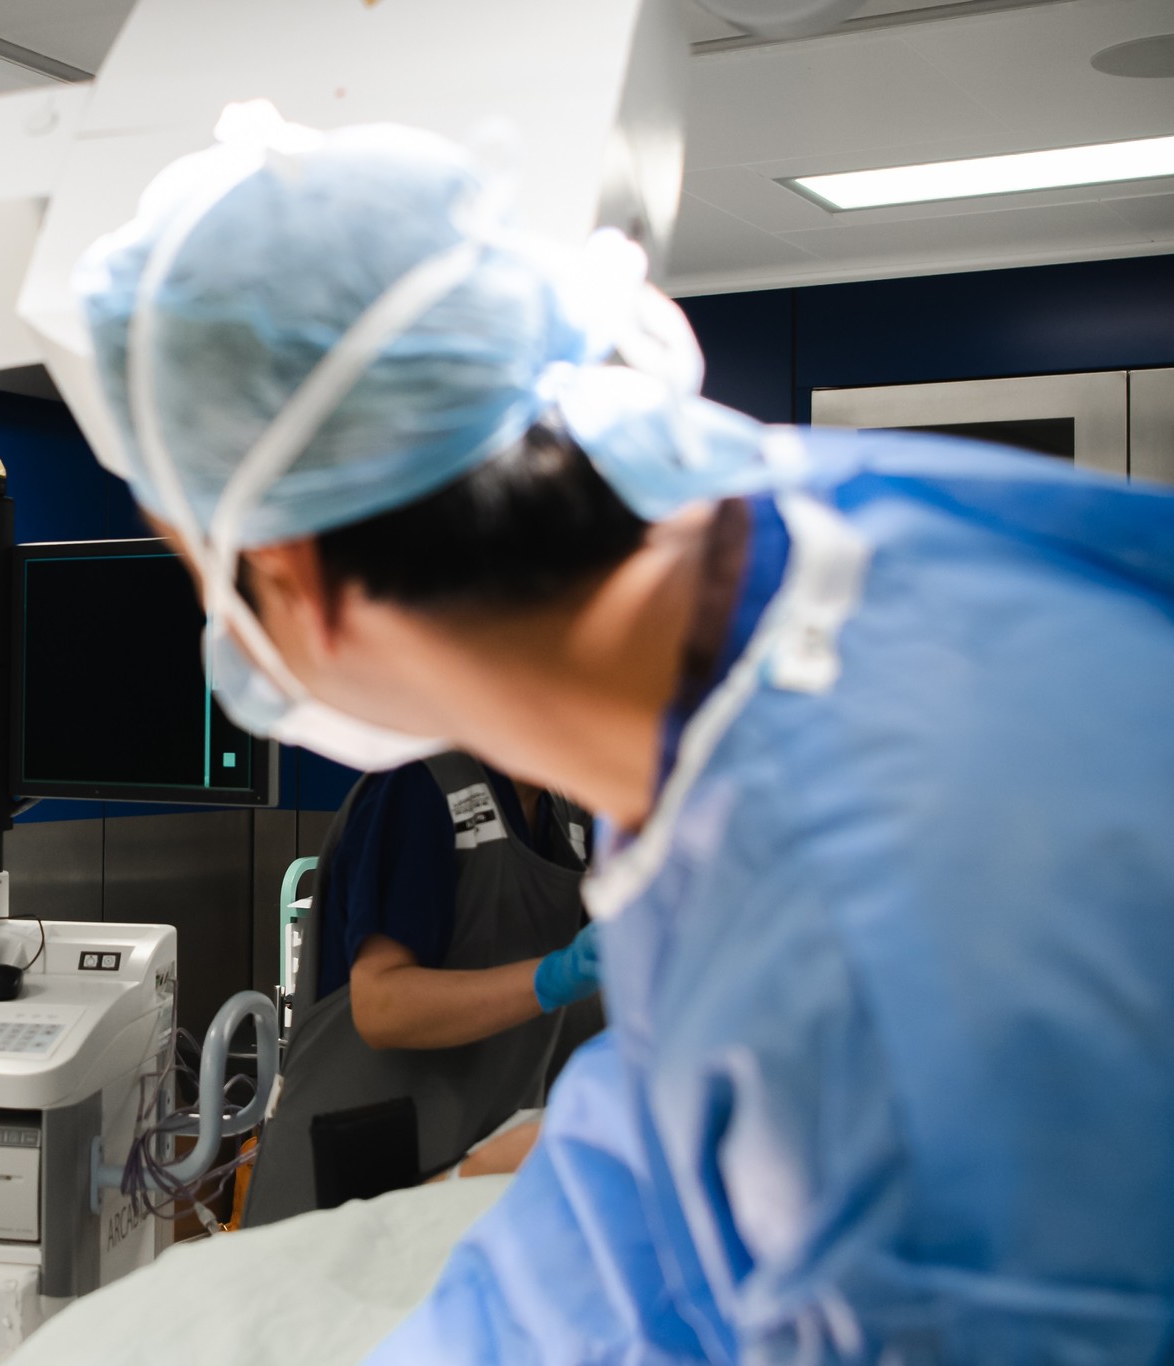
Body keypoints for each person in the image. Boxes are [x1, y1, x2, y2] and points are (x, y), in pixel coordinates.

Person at [71, 112, 1174, 1361]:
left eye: (205, 580)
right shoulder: (810, 560)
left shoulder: (863, 928)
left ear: (295, 579)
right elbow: (677, 1145)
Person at [242, 752, 600, 1226]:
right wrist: (555, 976)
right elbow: (381, 1007)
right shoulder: (422, 787)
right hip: (346, 1180)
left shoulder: (563, 818)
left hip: (463, 1172)